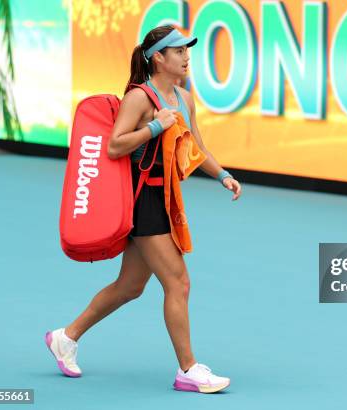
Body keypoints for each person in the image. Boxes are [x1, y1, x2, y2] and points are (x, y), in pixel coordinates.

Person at [45, 25, 241, 394]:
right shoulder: (140, 97)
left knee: (129, 287)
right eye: (178, 51)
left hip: (163, 199)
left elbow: (196, 147)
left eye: (187, 51)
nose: (186, 57)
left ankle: (65, 337)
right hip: (141, 202)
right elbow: (115, 147)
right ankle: (188, 369)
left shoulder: (185, 98)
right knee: (178, 283)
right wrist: (154, 126)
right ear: (158, 58)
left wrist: (223, 176)